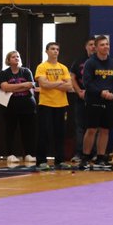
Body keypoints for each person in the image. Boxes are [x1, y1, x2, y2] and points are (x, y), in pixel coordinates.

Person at [79, 35, 113, 170]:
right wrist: (100, 92)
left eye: (107, 44)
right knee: (91, 129)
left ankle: (101, 158)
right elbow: (87, 82)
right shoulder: (90, 63)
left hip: (109, 101)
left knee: (105, 130)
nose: (105, 47)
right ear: (96, 48)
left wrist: (112, 93)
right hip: (94, 100)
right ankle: (85, 157)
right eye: (102, 45)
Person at [33, 42, 71, 172]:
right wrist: (60, 82)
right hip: (46, 104)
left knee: (60, 133)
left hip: (61, 104)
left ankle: (60, 160)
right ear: (47, 51)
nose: (55, 51)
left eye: (57, 49)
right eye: (52, 49)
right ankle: (41, 161)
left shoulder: (63, 68)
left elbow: (69, 86)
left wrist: (52, 84)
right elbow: (43, 84)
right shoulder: (42, 67)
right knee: (44, 133)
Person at [0, 51, 36, 165]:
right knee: (10, 130)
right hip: (10, 106)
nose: (16, 58)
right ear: (8, 60)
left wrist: (12, 88)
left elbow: (30, 85)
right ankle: (10, 154)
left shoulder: (26, 71)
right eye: (13, 57)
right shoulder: (4, 73)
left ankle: (28, 154)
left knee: (27, 131)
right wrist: (22, 86)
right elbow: (4, 87)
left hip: (27, 106)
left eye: (18, 56)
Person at [67, 36, 95, 165]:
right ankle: (79, 153)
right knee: (80, 127)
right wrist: (78, 91)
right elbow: (72, 77)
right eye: (90, 44)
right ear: (86, 46)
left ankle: (93, 154)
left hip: (96, 98)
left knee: (95, 127)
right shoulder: (79, 61)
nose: (93, 47)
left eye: (95, 44)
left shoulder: (100, 62)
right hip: (81, 98)